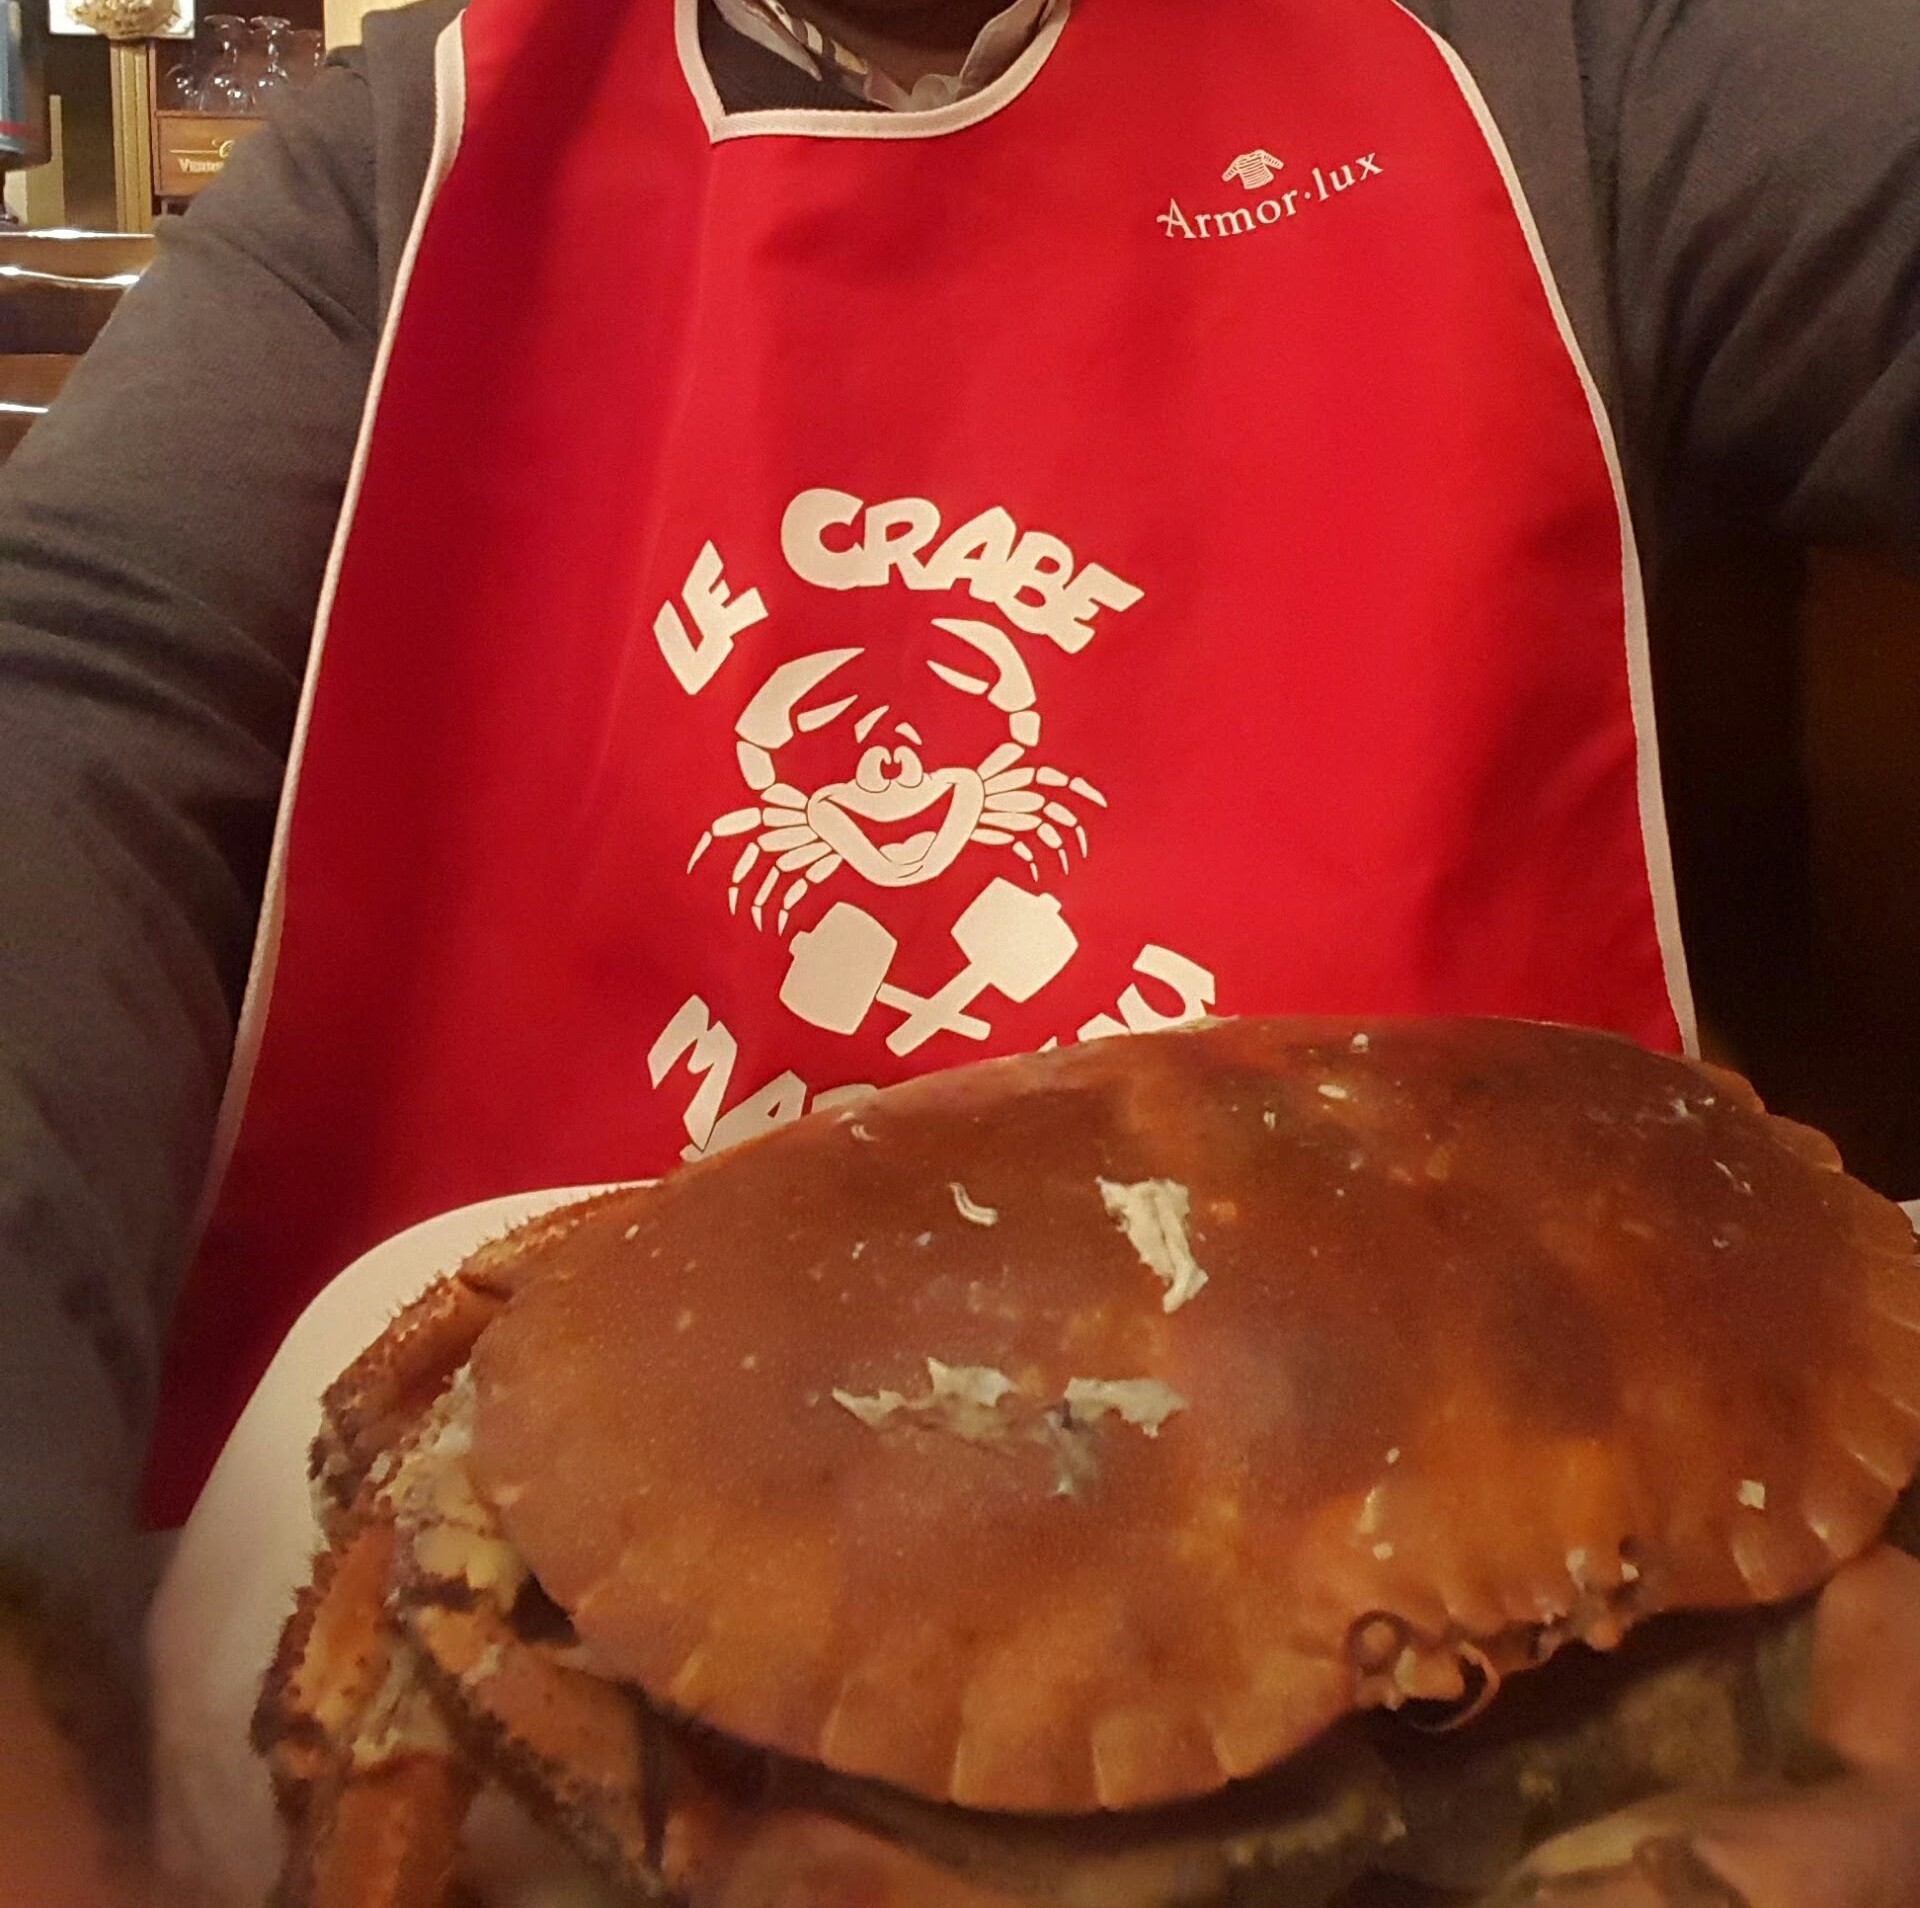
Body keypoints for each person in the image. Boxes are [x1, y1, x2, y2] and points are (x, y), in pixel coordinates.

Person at [0, 0, 1917, 1900]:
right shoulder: (397, 170)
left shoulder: (1593, 72)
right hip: (683, 1693)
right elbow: (64, 710)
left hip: (1601, 1642)